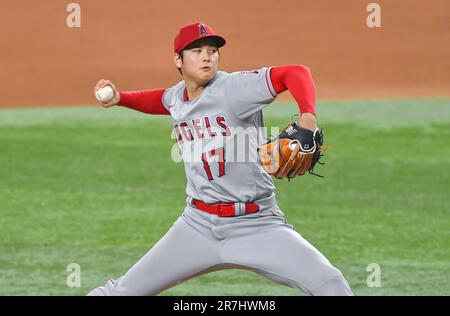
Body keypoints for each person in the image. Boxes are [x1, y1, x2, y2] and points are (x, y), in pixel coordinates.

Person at [88, 22, 353, 296]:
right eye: (197, 51)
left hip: (257, 224)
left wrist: (308, 118)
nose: (207, 56)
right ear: (177, 60)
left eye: (213, 51)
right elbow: (161, 101)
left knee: (330, 284)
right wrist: (121, 98)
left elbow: (296, 73)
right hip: (197, 225)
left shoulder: (235, 87)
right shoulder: (177, 96)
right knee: (119, 293)